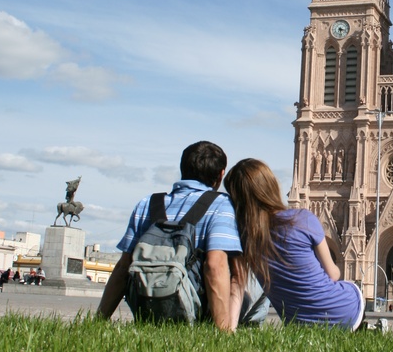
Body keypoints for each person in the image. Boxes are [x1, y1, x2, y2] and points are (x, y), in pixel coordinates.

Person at [97, 141, 246, 331]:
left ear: (182, 169)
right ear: (220, 175)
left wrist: (99, 320)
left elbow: (123, 267)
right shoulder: (221, 204)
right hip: (194, 315)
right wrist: (222, 332)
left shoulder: (147, 204)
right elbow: (215, 265)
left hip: (146, 311)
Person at [224, 158, 365, 329]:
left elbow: (237, 283)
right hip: (347, 312)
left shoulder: (244, 238)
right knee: (350, 286)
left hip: (299, 324)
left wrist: (228, 330)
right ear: (272, 186)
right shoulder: (304, 219)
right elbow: (333, 274)